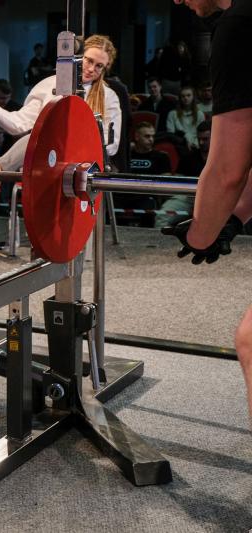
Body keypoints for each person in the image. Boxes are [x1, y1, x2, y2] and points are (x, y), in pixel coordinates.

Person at [166, 0, 252, 427]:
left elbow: (226, 171)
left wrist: (200, 234)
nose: (177, 0)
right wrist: (233, 219)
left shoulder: (239, 26)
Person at [0, 34, 122, 175]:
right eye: (89, 60)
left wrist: (75, 141)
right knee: (35, 138)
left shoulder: (109, 97)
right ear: (79, 57)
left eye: (99, 66)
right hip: (50, 163)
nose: (91, 69)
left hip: (84, 168)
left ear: (104, 69)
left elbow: (111, 146)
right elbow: (18, 124)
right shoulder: (49, 85)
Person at [155, 119, 210, 228]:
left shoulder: (223, 159)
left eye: (205, 139)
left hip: (214, 196)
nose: (201, 142)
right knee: (162, 216)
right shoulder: (188, 158)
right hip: (188, 196)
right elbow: (179, 180)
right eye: (199, 139)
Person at [117, 121, 172, 227]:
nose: (151, 139)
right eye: (147, 136)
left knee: (148, 208)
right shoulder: (125, 156)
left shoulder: (161, 157)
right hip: (123, 194)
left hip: (147, 196)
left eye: (152, 136)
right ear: (137, 137)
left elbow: (167, 182)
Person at [166, 85, 206, 149]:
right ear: (180, 98)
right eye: (183, 96)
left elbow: (202, 133)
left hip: (196, 145)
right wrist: (184, 141)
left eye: (188, 95)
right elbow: (170, 134)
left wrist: (194, 144)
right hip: (179, 145)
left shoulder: (200, 114)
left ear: (193, 97)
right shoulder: (172, 114)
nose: (186, 98)